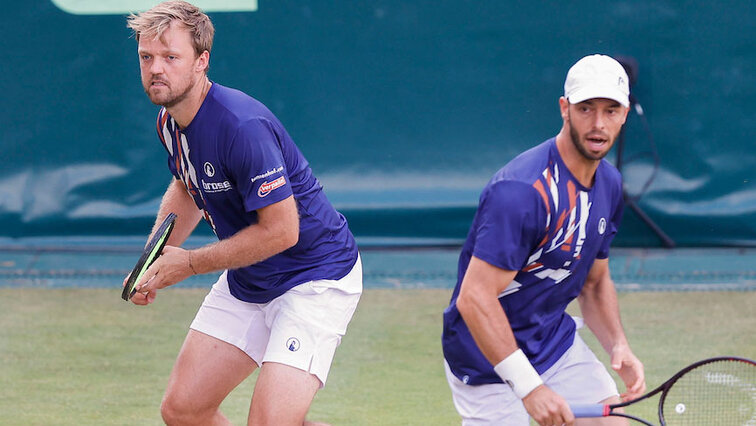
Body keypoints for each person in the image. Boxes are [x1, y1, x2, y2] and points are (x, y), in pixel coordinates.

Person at [124, 2, 361, 425]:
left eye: (170, 57)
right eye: (147, 57)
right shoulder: (169, 122)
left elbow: (283, 232)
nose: (156, 68)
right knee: (183, 411)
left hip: (315, 278)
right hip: (251, 277)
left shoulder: (240, 126)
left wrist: (191, 263)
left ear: (201, 62)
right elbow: (186, 184)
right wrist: (152, 260)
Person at [441, 54, 647, 426]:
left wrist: (618, 343)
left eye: (611, 110)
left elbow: (595, 282)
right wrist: (529, 388)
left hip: (553, 344)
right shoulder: (520, 192)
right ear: (564, 109)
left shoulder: (610, 184)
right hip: (485, 362)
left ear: (625, 113)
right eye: (586, 108)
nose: (599, 124)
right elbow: (474, 298)